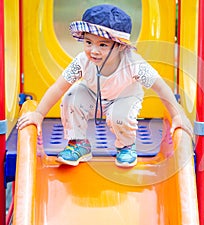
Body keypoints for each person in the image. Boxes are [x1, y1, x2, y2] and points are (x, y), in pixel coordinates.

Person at [17, 4, 193, 167]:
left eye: (103, 45)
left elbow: (161, 87)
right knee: (72, 95)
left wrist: (177, 115)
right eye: (88, 42)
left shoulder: (134, 64)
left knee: (119, 115)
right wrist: (39, 114)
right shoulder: (82, 61)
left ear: (120, 47)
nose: (94, 50)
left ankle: (126, 146)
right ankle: (78, 144)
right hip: (93, 96)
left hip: (124, 98)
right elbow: (59, 87)